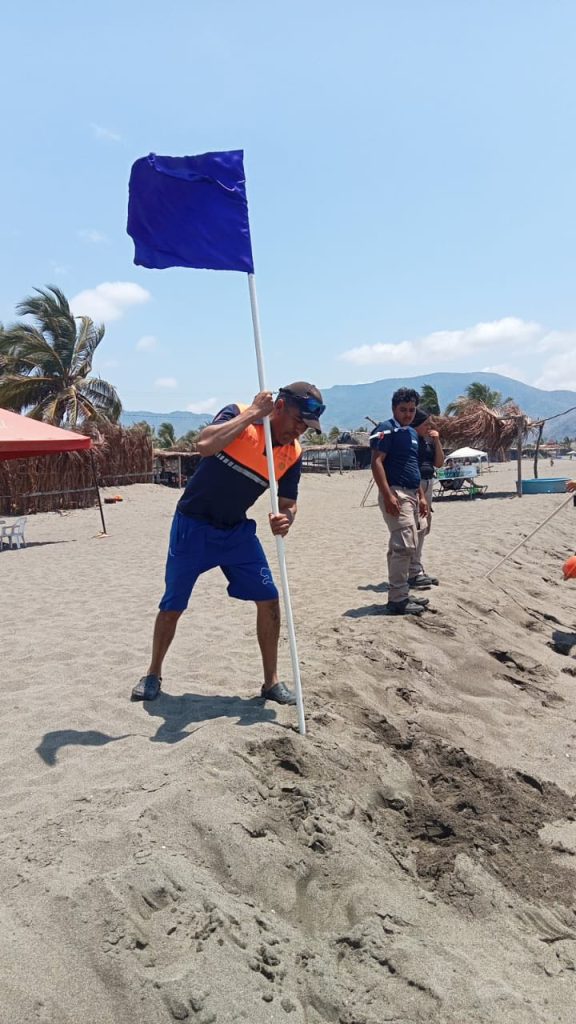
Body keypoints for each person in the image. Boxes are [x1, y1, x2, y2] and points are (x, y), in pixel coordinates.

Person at [131, 382, 325, 705]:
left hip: (236, 530)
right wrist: (251, 414)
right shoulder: (239, 415)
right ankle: (153, 673)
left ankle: (271, 683)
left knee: (269, 598)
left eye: (307, 426)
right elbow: (204, 444)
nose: (300, 430)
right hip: (192, 525)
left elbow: (289, 502)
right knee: (173, 604)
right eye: (297, 420)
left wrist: (287, 518)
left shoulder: (293, 455)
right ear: (278, 408)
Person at [370, 388, 431, 616]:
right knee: (404, 546)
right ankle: (397, 600)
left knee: (403, 545)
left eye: (412, 410)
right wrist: (388, 495)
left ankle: (401, 592)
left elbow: (411, 466)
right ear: (394, 408)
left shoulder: (412, 434)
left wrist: (422, 496)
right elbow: (377, 462)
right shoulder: (386, 429)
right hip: (396, 493)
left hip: (412, 494)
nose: (408, 414)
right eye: (403, 410)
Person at [409, 409, 444, 585]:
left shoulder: (428, 441)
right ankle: (414, 571)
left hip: (429, 482)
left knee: (425, 527)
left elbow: (439, 463)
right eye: (425, 424)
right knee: (417, 527)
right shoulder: (411, 441)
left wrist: (436, 441)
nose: (428, 427)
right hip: (417, 484)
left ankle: (417, 566)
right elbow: (410, 468)